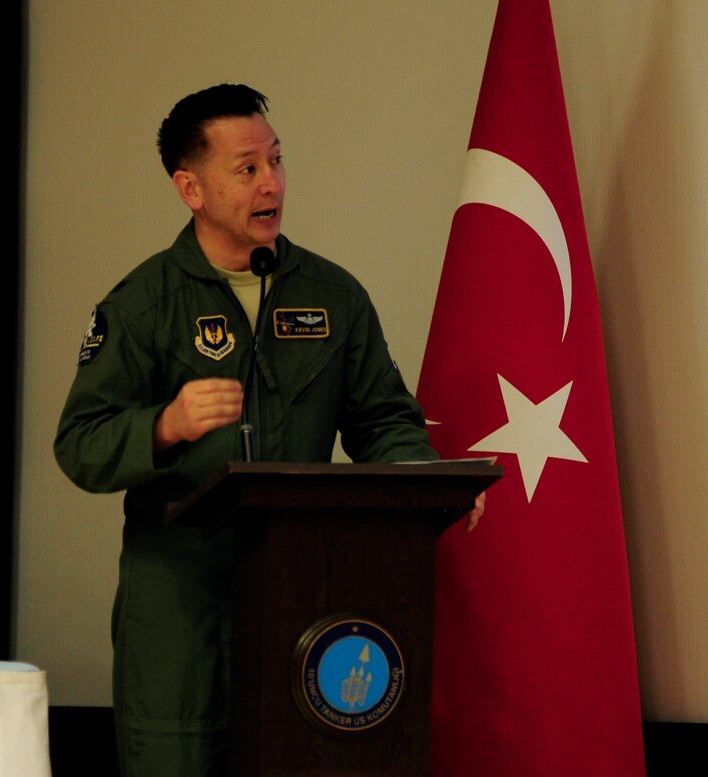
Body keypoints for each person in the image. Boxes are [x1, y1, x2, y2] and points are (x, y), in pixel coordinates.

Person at [54, 83, 482, 777]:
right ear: (190, 188)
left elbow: (383, 419)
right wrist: (164, 424)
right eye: (246, 167)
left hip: (308, 601)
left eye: (276, 161)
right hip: (181, 610)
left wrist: (420, 476)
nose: (271, 183)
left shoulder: (332, 296)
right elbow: (80, 445)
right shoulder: (141, 306)